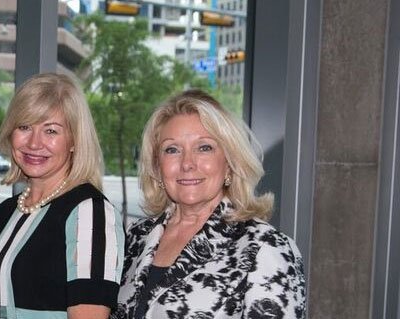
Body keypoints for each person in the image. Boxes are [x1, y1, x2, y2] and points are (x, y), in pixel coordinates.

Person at [113, 90, 306, 318]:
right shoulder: (137, 236)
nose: (187, 163)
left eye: (204, 147)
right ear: (157, 166)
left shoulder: (265, 247)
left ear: (229, 162)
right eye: (172, 150)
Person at [0, 73, 123, 319]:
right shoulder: (7, 212)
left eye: (51, 131)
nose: (34, 143)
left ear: (74, 141)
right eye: (24, 127)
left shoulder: (90, 213)